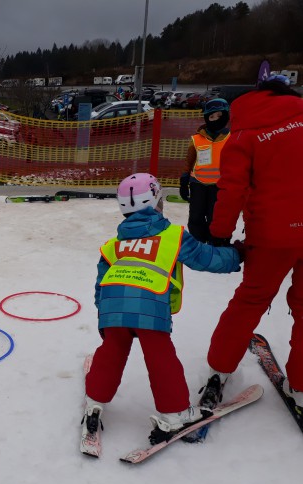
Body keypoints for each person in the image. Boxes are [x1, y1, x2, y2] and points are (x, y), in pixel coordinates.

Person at [83, 173, 242, 444]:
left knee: (111, 352)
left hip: (113, 309)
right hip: (150, 310)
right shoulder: (173, 236)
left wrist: (105, 313)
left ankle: (94, 401)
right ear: (157, 202)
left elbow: (101, 282)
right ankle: (175, 413)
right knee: (161, 360)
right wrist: (237, 255)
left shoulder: (114, 245)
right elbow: (207, 258)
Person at [199, 73, 303, 413]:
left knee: (250, 301)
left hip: (273, 235)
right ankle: (301, 385)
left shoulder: (245, 134)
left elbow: (231, 189)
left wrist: (219, 235)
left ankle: (220, 368)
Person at [179, 98, 232, 243]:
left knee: (214, 216)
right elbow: (189, 160)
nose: (215, 120)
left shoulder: (231, 138)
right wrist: (184, 180)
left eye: (219, 116)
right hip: (198, 183)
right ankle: (198, 243)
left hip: (220, 186)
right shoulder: (196, 139)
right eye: (212, 116)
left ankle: (216, 243)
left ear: (226, 116)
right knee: (196, 216)